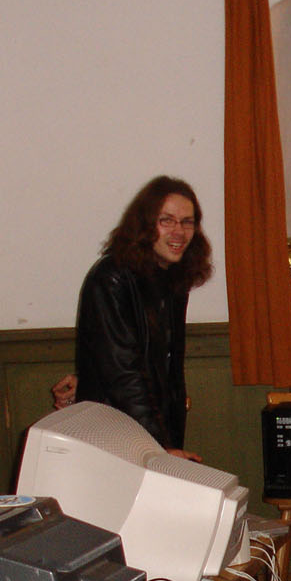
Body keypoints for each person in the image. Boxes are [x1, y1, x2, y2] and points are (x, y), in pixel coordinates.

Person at [72, 175, 212, 458]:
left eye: (187, 222)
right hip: (116, 434)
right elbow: (124, 374)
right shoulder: (110, 278)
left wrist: (167, 440)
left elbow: (167, 372)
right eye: (166, 221)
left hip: (147, 430)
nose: (179, 232)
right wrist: (160, 447)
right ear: (145, 225)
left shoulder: (172, 278)